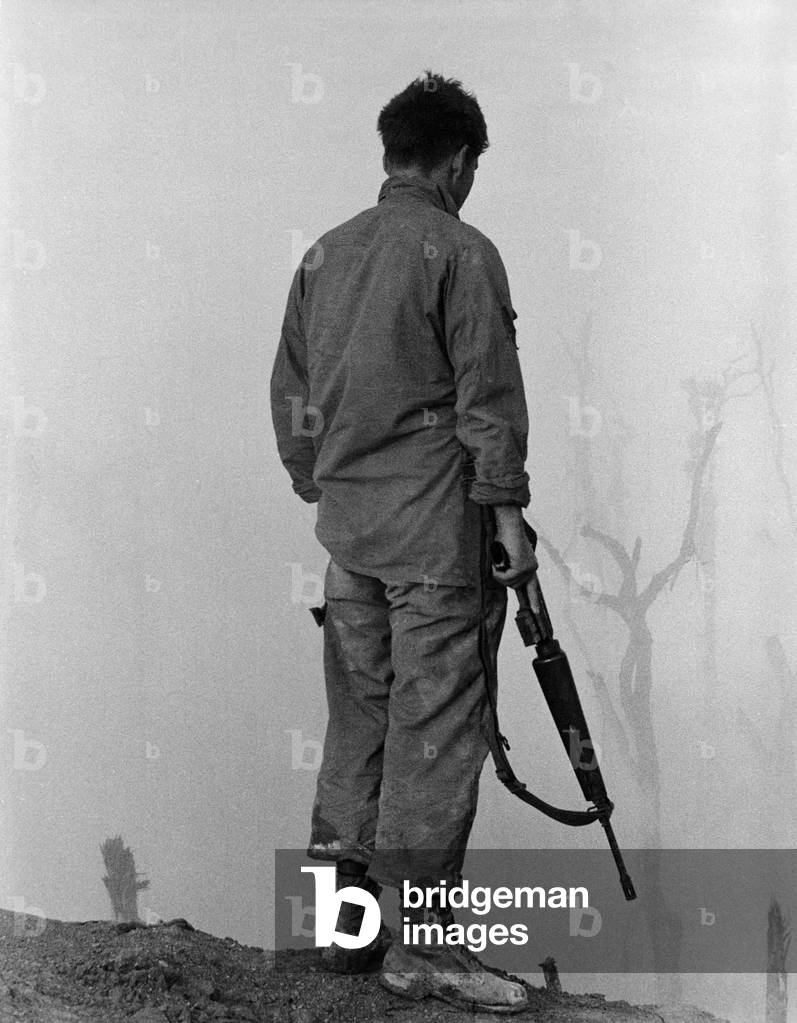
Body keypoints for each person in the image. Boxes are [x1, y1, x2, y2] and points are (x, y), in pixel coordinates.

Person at [270, 70, 538, 1013]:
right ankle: (420, 946)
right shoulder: (460, 250)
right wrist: (507, 518)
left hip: (351, 544)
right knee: (433, 732)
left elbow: (291, 407)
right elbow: (486, 400)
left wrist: (332, 490)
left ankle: (335, 937)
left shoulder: (323, 256)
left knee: (357, 724)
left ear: (392, 153)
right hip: (435, 545)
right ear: (458, 162)